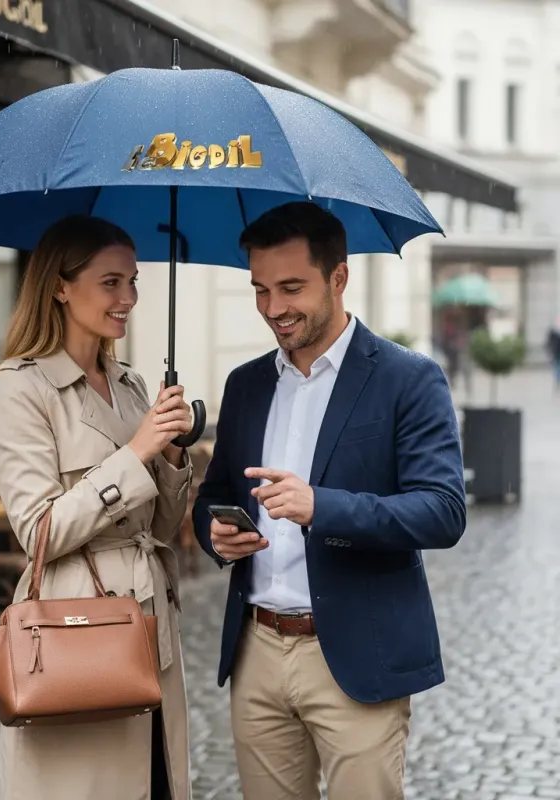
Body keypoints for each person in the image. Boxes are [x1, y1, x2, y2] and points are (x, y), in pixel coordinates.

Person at [192, 202, 466, 800]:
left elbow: (443, 511)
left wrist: (323, 506)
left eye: (292, 288)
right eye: (260, 289)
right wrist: (214, 533)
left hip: (357, 653)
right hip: (256, 651)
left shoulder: (407, 378)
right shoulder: (245, 384)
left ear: (339, 277)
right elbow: (214, 496)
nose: (273, 308)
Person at [0, 215, 194, 800]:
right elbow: (39, 533)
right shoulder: (20, 388)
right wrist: (136, 452)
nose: (128, 298)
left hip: (151, 623)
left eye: (133, 281)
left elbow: (160, 527)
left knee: (156, 780)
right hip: (78, 630)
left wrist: (171, 455)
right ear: (59, 286)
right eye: (110, 282)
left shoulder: (131, 386)